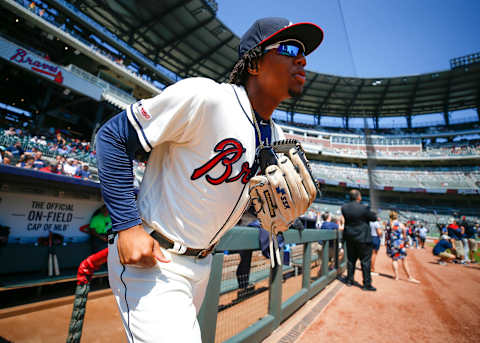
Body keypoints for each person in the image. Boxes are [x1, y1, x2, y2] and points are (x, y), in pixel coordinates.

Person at [95, 17, 324, 342]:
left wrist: (265, 222)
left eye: (304, 53)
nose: (302, 59)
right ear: (255, 63)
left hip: (202, 265)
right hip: (154, 259)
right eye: (288, 48)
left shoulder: (278, 137)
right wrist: (127, 226)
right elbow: (113, 137)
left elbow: (233, 196)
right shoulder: (206, 97)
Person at [341, 189, 377, 291]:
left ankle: (349, 280)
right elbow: (373, 218)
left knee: (351, 260)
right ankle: (366, 284)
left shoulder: (344, 208)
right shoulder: (364, 208)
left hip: (350, 237)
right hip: (363, 239)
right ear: (358, 197)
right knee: (365, 262)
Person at [385, 211, 420, 283]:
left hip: (392, 244)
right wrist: (404, 241)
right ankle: (409, 277)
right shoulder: (400, 224)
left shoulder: (388, 224)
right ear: (396, 216)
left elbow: (387, 235)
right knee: (404, 259)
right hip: (399, 244)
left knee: (394, 259)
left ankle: (396, 276)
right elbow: (405, 234)